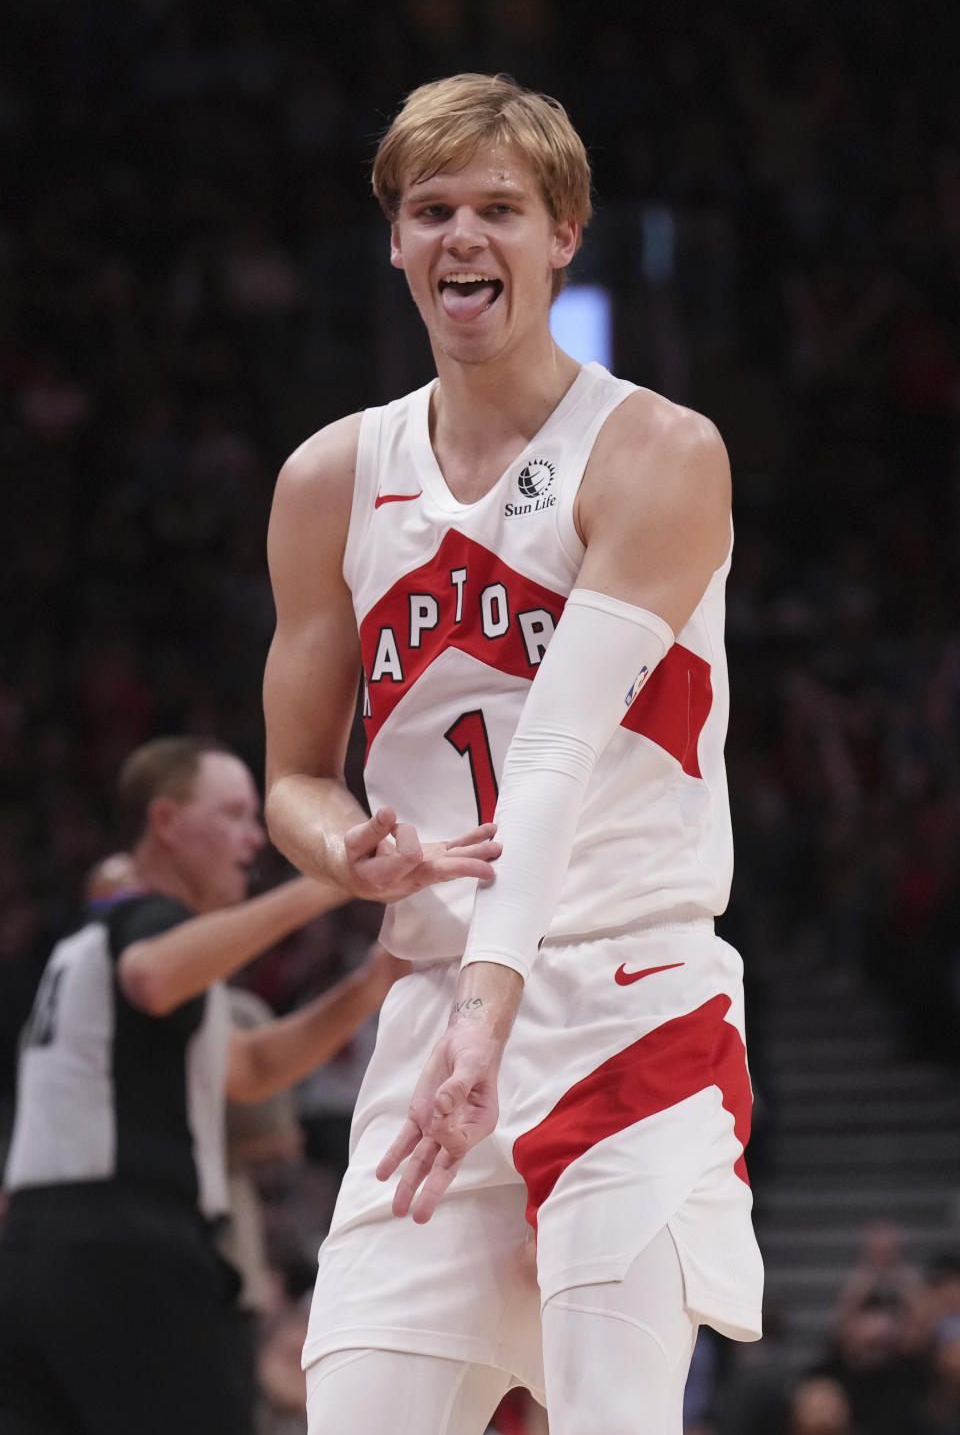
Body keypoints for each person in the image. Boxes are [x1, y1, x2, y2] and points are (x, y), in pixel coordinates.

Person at [263, 72, 764, 1435]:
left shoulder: (657, 450)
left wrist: (490, 1019)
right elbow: (296, 778)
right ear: (395, 241)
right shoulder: (330, 481)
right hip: (433, 1017)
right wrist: (343, 850)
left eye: (500, 208)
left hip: (626, 998)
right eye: (433, 210)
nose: (464, 237)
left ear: (565, 234)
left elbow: (546, 765)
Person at [0, 735, 497, 1435]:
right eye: (233, 815)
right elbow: (152, 974)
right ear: (166, 822)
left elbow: (250, 1069)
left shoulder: (88, 944)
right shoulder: (148, 924)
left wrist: (368, 987)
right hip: (124, 1249)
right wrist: (332, 879)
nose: (252, 838)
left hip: (31, 1256)